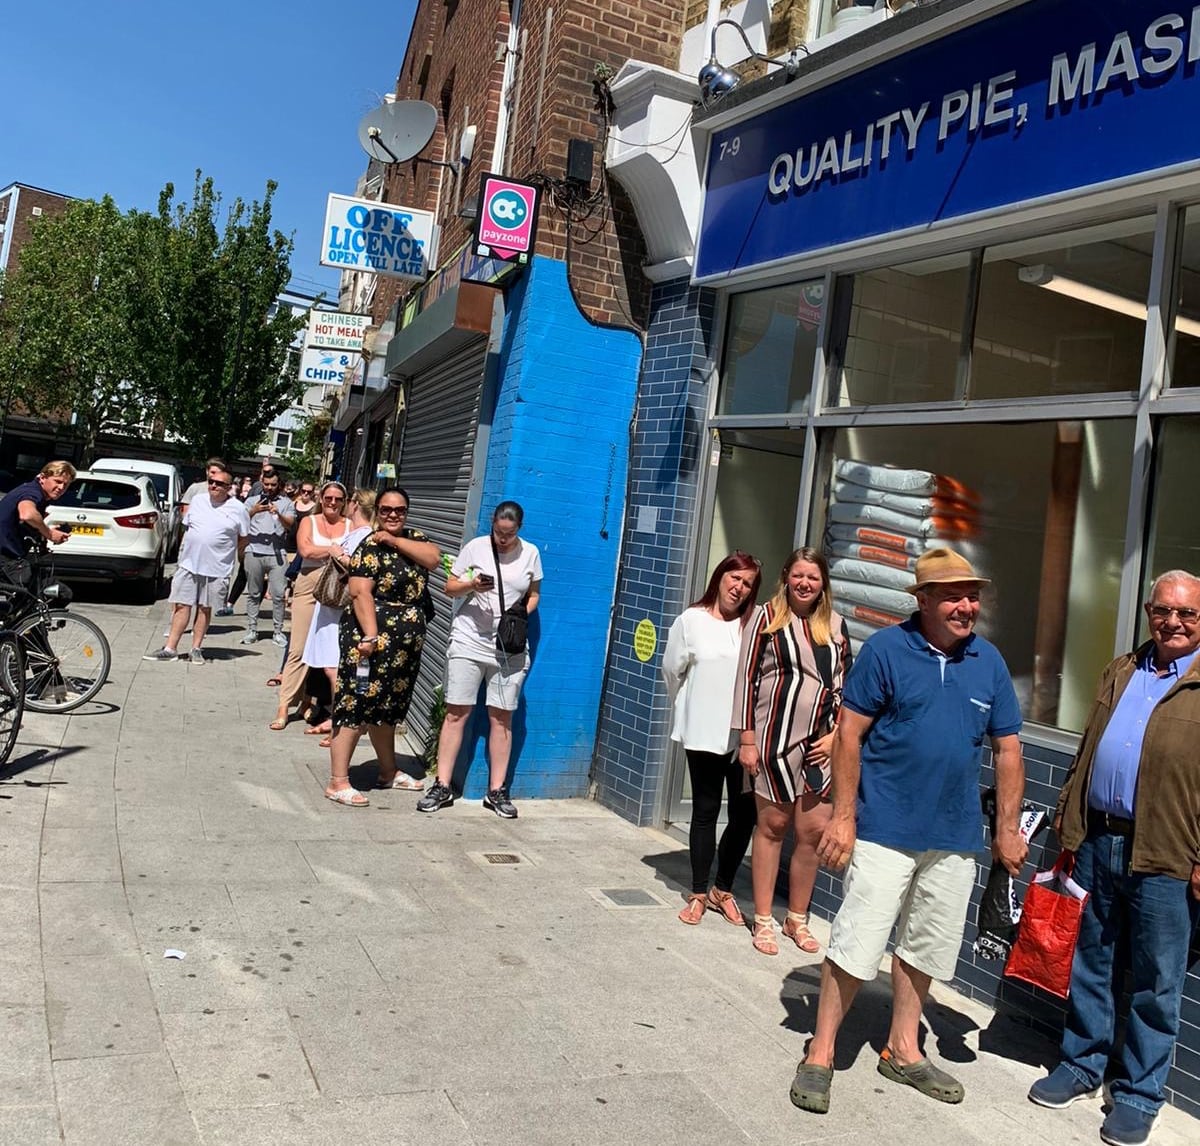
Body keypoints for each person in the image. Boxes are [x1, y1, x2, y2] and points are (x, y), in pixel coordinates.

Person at [790, 547, 1026, 1116]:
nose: (967, 605)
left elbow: (1010, 749)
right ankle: (820, 1053)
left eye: (972, 595)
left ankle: (903, 1048)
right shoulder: (887, 651)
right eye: (953, 595)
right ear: (922, 600)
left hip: (954, 833)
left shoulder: (988, 661)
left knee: (926, 945)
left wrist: (1008, 828)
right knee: (857, 942)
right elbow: (849, 735)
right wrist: (843, 817)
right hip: (883, 826)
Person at [1027, 570, 1200, 1146]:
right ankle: (1080, 1063)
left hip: (1168, 852)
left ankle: (1138, 1094)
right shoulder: (1121, 669)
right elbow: (1085, 751)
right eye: (1163, 611)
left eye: (1188, 614)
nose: (1173, 622)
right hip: (1100, 839)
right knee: (1092, 960)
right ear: (1149, 611)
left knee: (1155, 980)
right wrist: (1067, 824)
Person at [733, 548, 853, 955]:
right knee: (771, 829)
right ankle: (763, 919)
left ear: (823, 584)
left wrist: (837, 735)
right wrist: (746, 739)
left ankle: (796, 919)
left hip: (821, 748)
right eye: (799, 575)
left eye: (813, 577)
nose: (805, 583)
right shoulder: (766, 618)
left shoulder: (836, 625)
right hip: (773, 742)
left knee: (812, 834)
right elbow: (746, 680)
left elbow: (845, 686)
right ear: (786, 577)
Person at [417, 501, 543, 819]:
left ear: (519, 529)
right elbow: (449, 587)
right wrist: (472, 584)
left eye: (509, 534)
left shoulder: (530, 554)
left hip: (508, 646)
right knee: (457, 711)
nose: (502, 539)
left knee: (502, 717)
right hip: (469, 639)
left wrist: (518, 614)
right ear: (492, 523)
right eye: (498, 532)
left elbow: (534, 593)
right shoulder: (475, 548)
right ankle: (442, 784)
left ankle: (497, 789)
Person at [663, 551, 762, 926]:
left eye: (747, 583)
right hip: (703, 731)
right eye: (734, 578)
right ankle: (699, 892)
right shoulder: (691, 620)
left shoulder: (753, 625)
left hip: (744, 737)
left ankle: (724, 888)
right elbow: (672, 671)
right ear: (720, 577)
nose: (738, 588)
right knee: (705, 811)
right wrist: (689, 707)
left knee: (743, 814)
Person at [324, 488, 440, 807]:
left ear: (406, 511)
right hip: (369, 640)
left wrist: (396, 541)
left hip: (404, 644)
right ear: (377, 510)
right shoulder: (368, 546)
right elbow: (360, 593)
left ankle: (388, 772)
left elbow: (434, 558)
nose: (392, 515)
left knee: (387, 707)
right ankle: (338, 781)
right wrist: (371, 637)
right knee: (355, 703)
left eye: (399, 510)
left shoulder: (413, 537)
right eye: (386, 510)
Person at [144, 464, 249, 664]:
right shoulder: (199, 501)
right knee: (181, 605)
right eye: (211, 482)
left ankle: (196, 648)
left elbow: (244, 537)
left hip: (217, 567)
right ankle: (170, 648)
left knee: (205, 608)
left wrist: (231, 554)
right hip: (189, 564)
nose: (214, 486)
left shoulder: (238, 508)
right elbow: (187, 527)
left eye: (220, 484)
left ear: (229, 487)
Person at [270, 481, 352, 731]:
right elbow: (305, 550)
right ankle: (284, 705)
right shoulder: (310, 521)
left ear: (344, 502)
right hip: (308, 584)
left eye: (338, 499)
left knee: (326, 650)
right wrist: (334, 550)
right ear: (321, 498)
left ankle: (308, 701)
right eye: (328, 497)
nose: (333, 502)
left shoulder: (350, 525)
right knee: (298, 647)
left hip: (337, 588)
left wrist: (329, 552)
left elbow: (353, 555)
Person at [301, 489, 378, 749]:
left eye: (349, 501)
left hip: (339, 611)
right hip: (332, 610)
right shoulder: (358, 534)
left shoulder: (363, 536)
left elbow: (358, 568)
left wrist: (337, 554)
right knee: (332, 667)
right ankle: (336, 717)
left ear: (355, 506)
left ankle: (340, 726)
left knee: (335, 669)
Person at [241, 471, 295, 647]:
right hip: (254, 551)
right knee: (254, 593)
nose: (269, 488)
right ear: (261, 483)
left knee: (279, 595)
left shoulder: (286, 503)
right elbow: (238, 523)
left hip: (277, 553)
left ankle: (278, 632)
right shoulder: (251, 501)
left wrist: (278, 514)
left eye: (273, 484)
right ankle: (252, 629)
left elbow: (290, 524)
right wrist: (253, 511)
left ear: (278, 484)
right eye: (266, 484)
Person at [0, 460, 76, 558]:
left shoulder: (37, 493)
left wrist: (43, 531)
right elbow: (27, 515)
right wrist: (50, 534)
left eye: (65, 485)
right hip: (5, 557)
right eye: (58, 481)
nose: (61, 487)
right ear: (43, 478)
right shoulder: (33, 492)